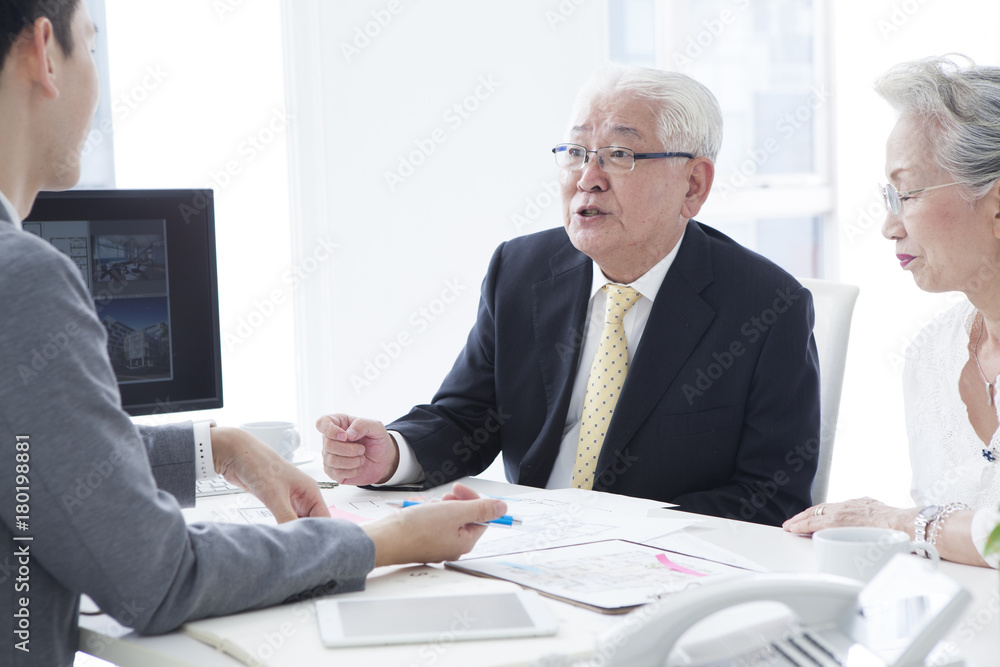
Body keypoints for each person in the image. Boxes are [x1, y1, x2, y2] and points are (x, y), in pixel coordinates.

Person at [0, 2, 506, 664]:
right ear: (46, 52)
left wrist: (217, 448)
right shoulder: (23, 279)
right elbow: (157, 575)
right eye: (90, 47)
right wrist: (386, 539)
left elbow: (31, 457)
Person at [319, 65, 822, 527]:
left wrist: (610, 526)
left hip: (659, 569)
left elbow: (772, 496)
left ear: (692, 184)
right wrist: (392, 451)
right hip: (524, 549)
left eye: (620, 156)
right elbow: (467, 417)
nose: (588, 179)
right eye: (577, 153)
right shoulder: (519, 270)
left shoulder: (767, 308)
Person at [784, 55, 1000, 568]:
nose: (889, 226)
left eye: (908, 193)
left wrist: (899, 521)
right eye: (889, 195)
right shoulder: (933, 353)